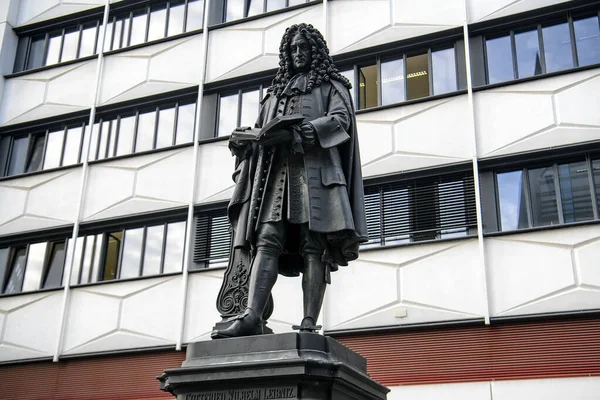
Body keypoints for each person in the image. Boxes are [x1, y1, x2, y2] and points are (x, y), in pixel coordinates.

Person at [212, 23, 367, 338]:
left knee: (314, 245)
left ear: (315, 51)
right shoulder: (274, 93)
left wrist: (306, 130)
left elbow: (341, 120)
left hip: (315, 176)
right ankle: (252, 315)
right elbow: (261, 129)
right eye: (293, 49)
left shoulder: (332, 86)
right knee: (267, 240)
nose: (298, 54)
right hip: (275, 177)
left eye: (303, 48)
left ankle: (309, 321)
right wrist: (245, 140)